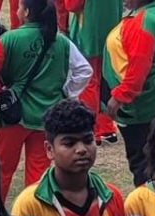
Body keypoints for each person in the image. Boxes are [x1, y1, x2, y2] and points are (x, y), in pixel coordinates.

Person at [0, 0, 91, 199]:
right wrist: (66, 93)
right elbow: (84, 71)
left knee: (2, 168)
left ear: (27, 12)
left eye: (20, 6)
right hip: (46, 118)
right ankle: (35, 214)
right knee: (38, 172)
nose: (17, 10)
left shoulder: (9, 39)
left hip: (14, 115)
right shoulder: (61, 41)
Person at [102, 0, 155, 185]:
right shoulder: (153, 12)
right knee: (153, 155)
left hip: (142, 103)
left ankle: (148, 204)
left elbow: (138, 68)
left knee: (143, 160)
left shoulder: (144, 21)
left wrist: (119, 97)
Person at [64, 0, 120, 144]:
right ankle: (107, 126)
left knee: (89, 81)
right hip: (113, 29)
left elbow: (72, 5)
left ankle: (90, 128)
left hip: (89, 32)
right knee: (107, 78)